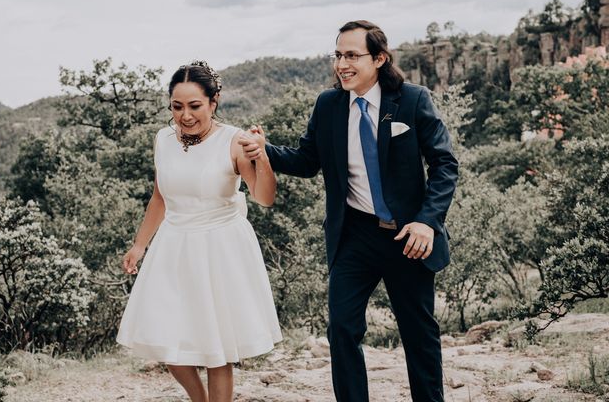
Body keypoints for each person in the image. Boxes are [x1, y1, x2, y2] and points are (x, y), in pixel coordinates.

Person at [240, 20, 458, 401]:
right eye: (338, 55)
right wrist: (266, 150)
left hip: (408, 235)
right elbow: (308, 160)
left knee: (418, 333)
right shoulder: (328, 105)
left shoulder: (413, 99)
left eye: (352, 55)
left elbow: (445, 165)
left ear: (379, 58)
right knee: (341, 329)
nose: (342, 64)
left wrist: (427, 222)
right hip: (353, 234)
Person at [117, 60, 282, 402]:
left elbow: (264, 198)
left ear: (213, 101)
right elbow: (160, 196)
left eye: (195, 106)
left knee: (215, 348)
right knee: (168, 341)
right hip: (173, 246)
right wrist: (139, 245)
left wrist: (262, 158)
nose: (186, 115)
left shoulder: (235, 141)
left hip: (219, 247)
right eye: (177, 107)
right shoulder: (163, 139)